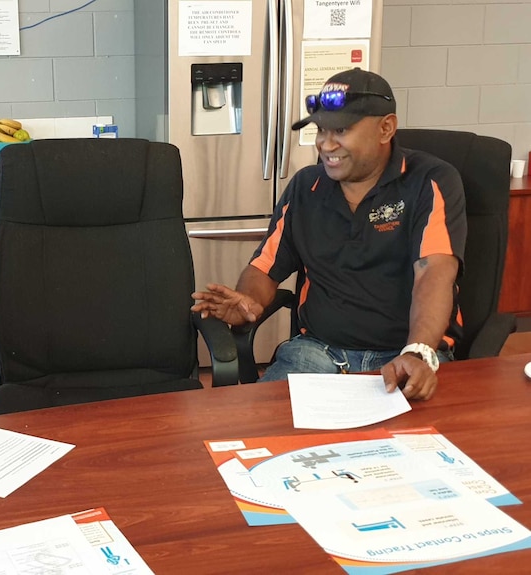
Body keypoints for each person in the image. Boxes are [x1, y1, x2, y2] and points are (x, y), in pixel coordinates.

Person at [192, 68, 466, 401]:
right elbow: (265, 266)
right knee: (260, 433)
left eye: (341, 130)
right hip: (317, 354)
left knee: (409, 447)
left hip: (404, 356)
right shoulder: (306, 187)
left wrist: (417, 351)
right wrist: (250, 301)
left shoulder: (429, 181)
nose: (325, 143)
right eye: (321, 129)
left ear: (386, 128)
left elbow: (433, 272)